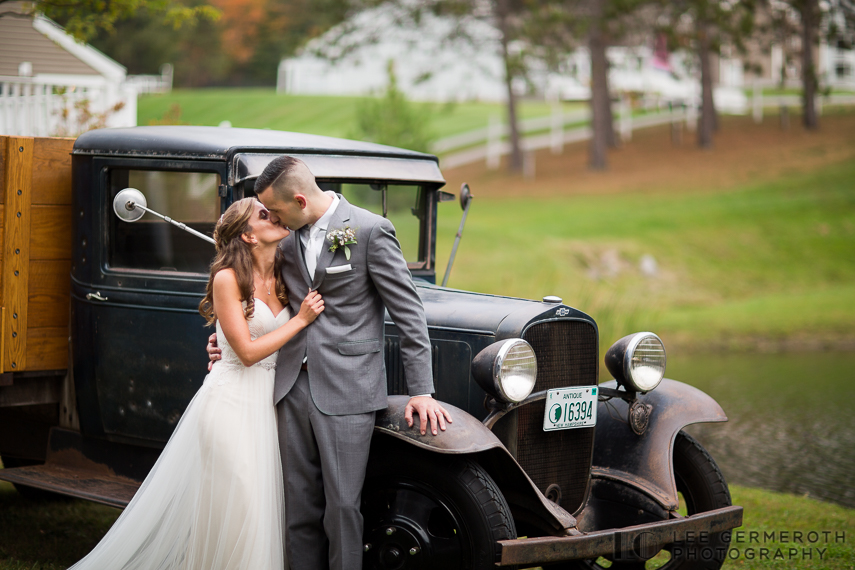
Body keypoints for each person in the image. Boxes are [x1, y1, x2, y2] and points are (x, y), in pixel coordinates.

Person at [207, 156, 453, 570]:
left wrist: (422, 390)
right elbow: (249, 285)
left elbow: (409, 313)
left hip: (348, 390)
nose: (272, 218)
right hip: (287, 387)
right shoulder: (283, 238)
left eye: (275, 210)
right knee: (297, 508)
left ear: (299, 200)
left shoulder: (371, 231)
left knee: (342, 506)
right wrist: (222, 342)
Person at [68, 198, 325, 570]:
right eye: (264, 214)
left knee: (262, 513)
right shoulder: (227, 278)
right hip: (230, 404)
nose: (276, 216)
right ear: (249, 235)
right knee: (241, 508)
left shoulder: (287, 273)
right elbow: (249, 352)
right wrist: (299, 321)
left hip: (267, 408)